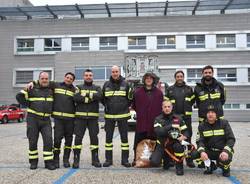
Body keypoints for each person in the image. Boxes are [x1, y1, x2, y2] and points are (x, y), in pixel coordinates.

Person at [26, 72, 76, 168]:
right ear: (64, 77)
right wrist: (32, 82)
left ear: (73, 80)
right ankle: (53, 160)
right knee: (55, 140)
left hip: (69, 120)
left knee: (58, 141)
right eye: (67, 77)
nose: (68, 79)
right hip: (58, 119)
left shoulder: (75, 90)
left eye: (70, 78)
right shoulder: (55, 85)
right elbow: (43, 81)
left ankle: (62, 160)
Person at [16, 72, 56, 170]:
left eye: (46, 78)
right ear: (39, 79)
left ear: (48, 79)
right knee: (33, 141)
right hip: (33, 119)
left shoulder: (52, 89)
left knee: (48, 141)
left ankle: (48, 162)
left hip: (46, 120)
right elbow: (19, 96)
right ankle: (33, 162)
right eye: (42, 78)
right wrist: (28, 104)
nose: (44, 80)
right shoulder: (31, 88)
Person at [191, 105, 235, 177]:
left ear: (216, 114)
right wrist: (202, 152)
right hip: (210, 151)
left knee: (224, 160)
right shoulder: (202, 126)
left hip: (222, 151)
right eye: (208, 112)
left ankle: (225, 168)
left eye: (212, 112)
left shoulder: (224, 123)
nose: (210, 114)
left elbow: (231, 139)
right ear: (206, 114)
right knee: (193, 154)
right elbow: (199, 141)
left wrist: (226, 151)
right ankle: (210, 165)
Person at [102, 65, 133, 167]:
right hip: (110, 116)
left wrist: (124, 106)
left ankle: (125, 160)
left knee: (124, 139)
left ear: (119, 72)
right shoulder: (106, 84)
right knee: (108, 139)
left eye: (116, 71)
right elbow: (103, 99)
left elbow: (130, 99)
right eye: (113, 72)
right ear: (111, 73)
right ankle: (108, 160)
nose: (115, 73)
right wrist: (108, 107)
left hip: (123, 116)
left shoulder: (126, 84)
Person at [72, 69, 102, 168]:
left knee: (94, 138)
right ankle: (76, 160)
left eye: (90, 75)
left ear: (92, 77)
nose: (88, 77)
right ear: (84, 77)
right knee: (78, 139)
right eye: (86, 75)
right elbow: (76, 98)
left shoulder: (97, 87)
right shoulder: (78, 87)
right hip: (80, 118)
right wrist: (91, 98)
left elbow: (99, 96)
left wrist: (85, 95)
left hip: (93, 118)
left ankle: (95, 159)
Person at [150, 100, 189, 176]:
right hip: (162, 144)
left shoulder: (178, 118)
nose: (167, 108)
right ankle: (167, 160)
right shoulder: (158, 119)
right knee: (154, 162)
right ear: (162, 108)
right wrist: (171, 126)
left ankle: (179, 166)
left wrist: (184, 136)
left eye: (169, 107)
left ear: (172, 107)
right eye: (165, 107)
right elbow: (158, 132)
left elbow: (186, 131)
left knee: (178, 146)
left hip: (175, 143)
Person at [165, 70, 195, 167]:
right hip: (174, 118)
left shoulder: (189, 89)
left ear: (183, 77)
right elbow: (166, 104)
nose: (179, 78)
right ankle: (172, 159)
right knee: (173, 137)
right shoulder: (170, 89)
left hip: (186, 118)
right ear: (175, 78)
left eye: (181, 76)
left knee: (188, 137)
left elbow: (193, 102)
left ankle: (189, 160)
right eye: (178, 76)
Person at [132, 72, 163, 165]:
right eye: (147, 78)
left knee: (155, 143)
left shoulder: (159, 93)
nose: (149, 80)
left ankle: (154, 159)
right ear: (144, 80)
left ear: (153, 80)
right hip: (142, 122)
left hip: (154, 123)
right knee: (138, 142)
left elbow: (162, 107)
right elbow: (134, 106)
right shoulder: (138, 92)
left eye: (150, 78)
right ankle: (136, 159)